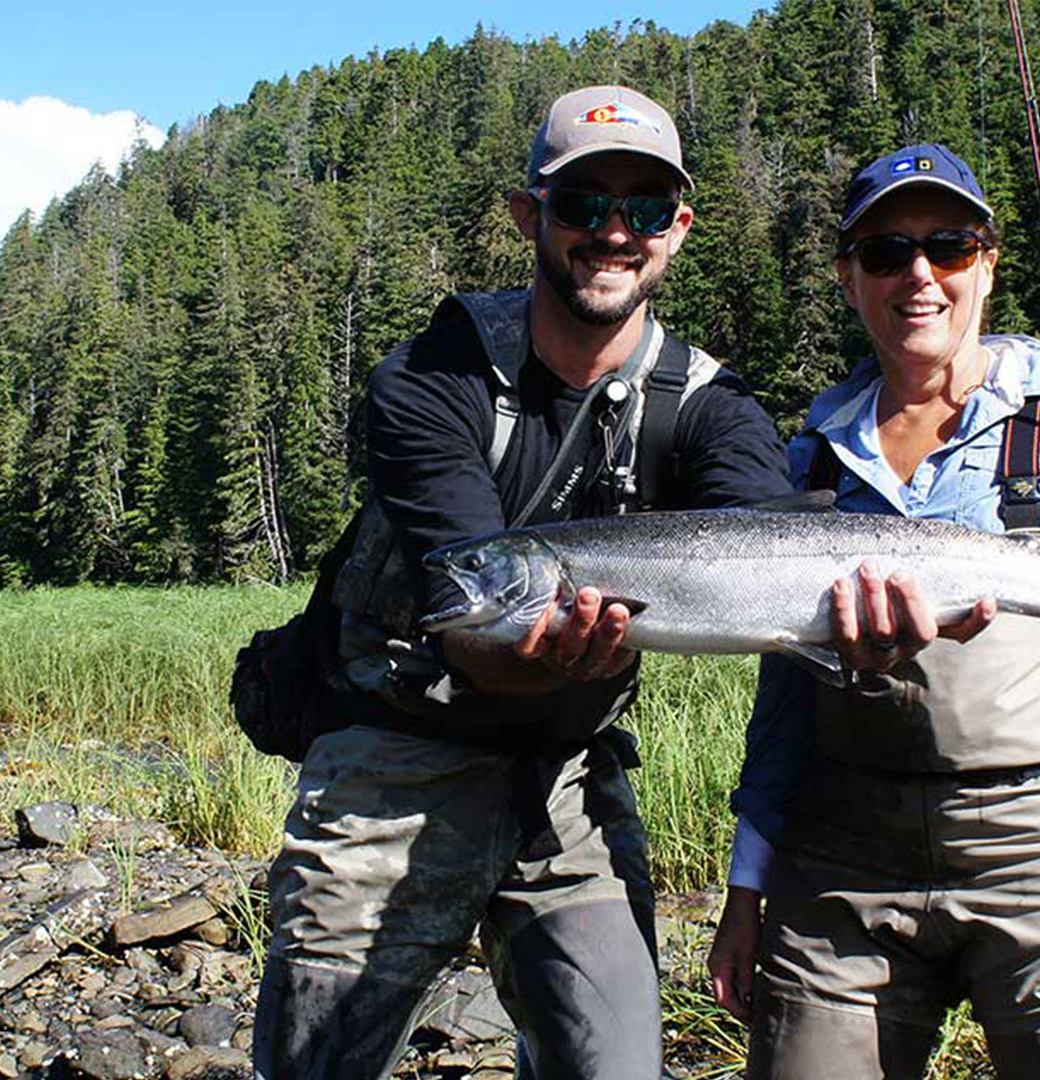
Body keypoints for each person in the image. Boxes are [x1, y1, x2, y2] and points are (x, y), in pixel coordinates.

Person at [251, 85, 795, 1080]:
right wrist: (528, 658)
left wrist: (857, 637)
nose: (613, 233)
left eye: (642, 209)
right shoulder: (430, 380)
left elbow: (776, 550)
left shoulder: (715, 411)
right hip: (397, 754)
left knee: (618, 1067)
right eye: (584, 205)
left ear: (678, 228)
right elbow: (469, 614)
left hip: (567, 769)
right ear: (527, 216)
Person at [705, 144, 1040, 1078]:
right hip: (844, 851)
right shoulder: (814, 460)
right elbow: (783, 705)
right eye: (885, 254)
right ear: (849, 280)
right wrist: (748, 885)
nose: (918, 274)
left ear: (987, 265)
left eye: (948, 247)